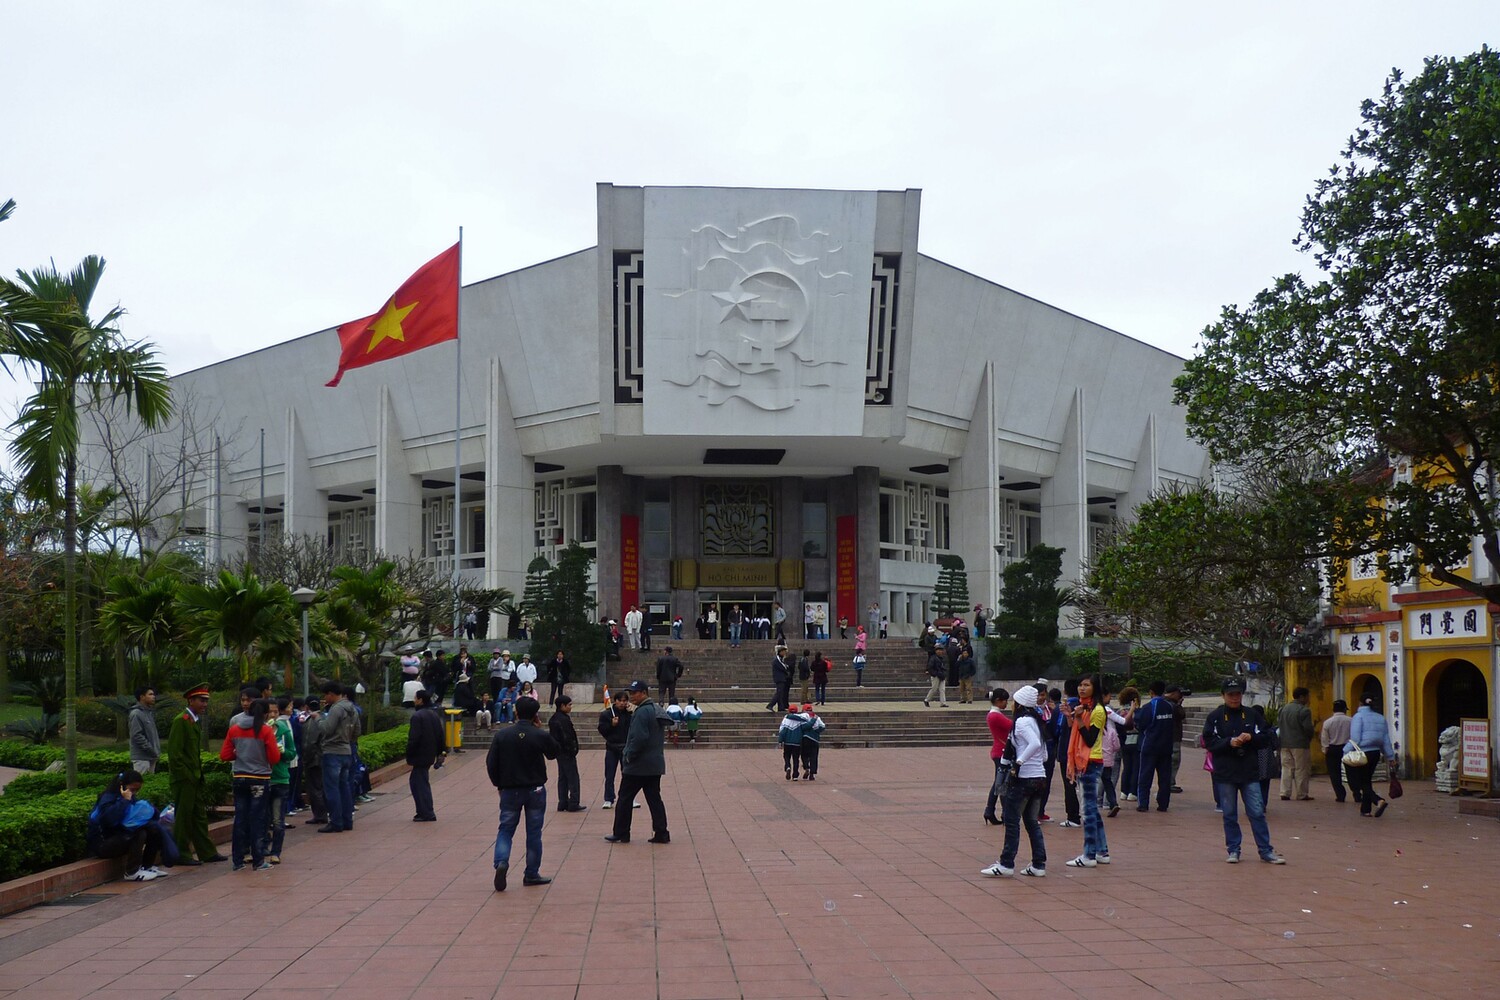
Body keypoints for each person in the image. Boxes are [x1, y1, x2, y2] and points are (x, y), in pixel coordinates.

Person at [1203, 678, 1285, 864]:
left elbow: (1267, 737)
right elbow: (1209, 742)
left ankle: (1266, 850)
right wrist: (1229, 742)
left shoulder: (1251, 715)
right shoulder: (1215, 717)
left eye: (1238, 694)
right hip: (1225, 773)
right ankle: (1233, 850)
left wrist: (1251, 738)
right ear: (1223, 695)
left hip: (1249, 772)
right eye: (1230, 694)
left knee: (1257, 813)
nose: (1234, 698)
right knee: (1229, 814)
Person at [486, 696, 559, 890]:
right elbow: (553, 753)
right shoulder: (539, 735)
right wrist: (540, 729)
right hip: (535, 789)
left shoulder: (503, 735)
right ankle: (531, 873)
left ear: (516, 712)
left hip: (510, 789)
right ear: (536, 714)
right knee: (534, 833)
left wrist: (499, 785)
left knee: (505, 829)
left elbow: (491, 763)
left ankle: (501, 862)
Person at [981, 684, 1047, 878]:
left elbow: (1034, 744)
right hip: (1039, 776)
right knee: (1031, 822)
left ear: (1019, 704)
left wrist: (1019, 761)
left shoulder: (1022, 722)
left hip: (1025, 778)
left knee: (1011, 821)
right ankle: (1038, 864)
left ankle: (1006, 864)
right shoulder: (1036, 721)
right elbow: (1043, 753)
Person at [166, 684, 226, 866]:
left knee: (199, 816)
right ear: (190, 700)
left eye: (206, 701)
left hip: (194, 778)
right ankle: (181, 854)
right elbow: (175, 755)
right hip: (184, 779)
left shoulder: (194, 721)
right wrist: (187, 775)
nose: (205, 704)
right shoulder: (181, 721)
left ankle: (207, 852)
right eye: (201, 700)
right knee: (184, 817)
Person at [604, 680, 670, 844]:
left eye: (635, 693)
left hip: (638, 766)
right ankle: (661, 832)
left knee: (624, 799)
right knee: (654, 799)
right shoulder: (655, 709)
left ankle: (621, 832)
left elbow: (639, 738)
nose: (632, 696)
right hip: (654, 764)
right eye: (631, 693)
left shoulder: (642, 712)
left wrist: (628, 755)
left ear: (644, 693)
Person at [220, 697, 281, 871]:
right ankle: (258, 860)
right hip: (260, 779)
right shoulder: (265, 730)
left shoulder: (234, 729)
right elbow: (274, 757)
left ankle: (237, 861)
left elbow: (225, 755)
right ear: (265, 714)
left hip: (240, 777)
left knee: (240, 819)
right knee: (258, 820)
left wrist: (241, 754)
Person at [1063, 674, 1111, 869]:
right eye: (1080, 685)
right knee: (1091, 810)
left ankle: (1089, 854)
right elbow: (1075, 730)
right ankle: (1102, 851)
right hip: (1083, 760)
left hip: (1090, 761)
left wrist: (1078, 718)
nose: (1081, 688)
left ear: (1095, 688)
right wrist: (1071, 716)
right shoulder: (1084, 707)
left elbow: (1090, 739)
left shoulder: (1097, 710)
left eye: (1086, 685)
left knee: (1088, 811)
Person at [88, 770, 168, 881]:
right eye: (132, 789)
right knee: (138, 833)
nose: (134, 793)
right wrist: (124, 801)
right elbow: (109, 820)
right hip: (103, 845)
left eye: (137, 790)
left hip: (118, 838)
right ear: (122, 786)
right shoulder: (108, 798)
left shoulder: (129, 797)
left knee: (152, 828)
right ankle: (132, 872)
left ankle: (147, 866)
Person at [318, 681, 359, 834]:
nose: (325, 698)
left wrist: (318, 719)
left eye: (326, 695)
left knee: (332, 788)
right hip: (346, 751)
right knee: (344, 787)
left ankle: (336, 822)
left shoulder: (336, 709)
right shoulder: (352, 708)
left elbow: (327, 729)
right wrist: (348, 741)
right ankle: (347, 820)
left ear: (331, 694)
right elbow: (357, 730)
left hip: (332, 751)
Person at [1345, 697, 1395, 818]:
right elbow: (1385, 739)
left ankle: (1378, 800)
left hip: (1362, 754)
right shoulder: (1380, 718)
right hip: (1375, 753)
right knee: (1366, 780)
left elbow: (1355, 738)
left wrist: (1345, 750)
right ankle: (1365, 809)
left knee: (1360, 782)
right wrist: (1390, 756)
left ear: (1360, 702)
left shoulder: (1358, 717)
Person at [1133, 680, 1176, 811]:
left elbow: (1140, 725)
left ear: (1151, 692)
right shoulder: (1169, 707)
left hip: (1149, 746)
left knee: (1145, 776)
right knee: (1165, 778)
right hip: (1166, 747)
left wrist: (1136, 711)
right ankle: (1163, 804)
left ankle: (1143, 804)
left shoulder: (1148, 707)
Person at [263, 699, 297, 863]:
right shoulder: (259, 731)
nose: (272, 715)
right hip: (263, 779)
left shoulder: (283, 730)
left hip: (280, 779)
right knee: (263, 818)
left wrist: (282, 752)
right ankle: (262, 848)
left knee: (277, 820)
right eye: (269, 712)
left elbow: (292, 753)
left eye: (275, 712)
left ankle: (276, 852)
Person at [406, 689, 445, 822]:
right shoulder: (433, 715)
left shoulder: (417, 717)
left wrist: (409, 753)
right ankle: (424, 811)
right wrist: (441, 752)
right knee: (419, 782)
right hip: (429, 754)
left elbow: (414, 738)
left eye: (415, 698)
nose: (414, 700)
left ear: (420, 700)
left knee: (419, 784)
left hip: (420, 755)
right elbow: (440, 735)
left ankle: (426, 812)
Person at [598, 689, 637, 809]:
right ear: (615, 701)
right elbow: (602, 730)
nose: (623, 703)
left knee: (628, 774)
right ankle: (608, 798)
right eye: (620, 701)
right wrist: (611, 725)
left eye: (625, 701)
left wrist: (633, 714)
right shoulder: (607, 714)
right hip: (612, 748)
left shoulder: (629, 713)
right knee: (609, 775)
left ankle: (629, 798)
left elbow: (635, 728)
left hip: (625, 748)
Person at [1279, 687, 1316, 801]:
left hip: (1284, 743)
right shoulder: (1304, 710)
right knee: (1301, 769)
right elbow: (1308, 728)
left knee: (1286, 768)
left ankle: (1285, 792)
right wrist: (1309, 738)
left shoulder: (1283, 709)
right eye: (1307, 696)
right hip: (1300, 743)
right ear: (1302, 697)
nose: (1308, 699)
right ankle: (1302, 793)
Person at [549, 694, 585, 812]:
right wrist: (572, 750)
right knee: (572, 778)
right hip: (566, 752)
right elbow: (567, 737)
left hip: (559, 752)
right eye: (569, 705)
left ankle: (563, 802)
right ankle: (573, 802)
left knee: (563, 778)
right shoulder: (563, 720)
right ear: (562, 706)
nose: (570, 707)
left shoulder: (554, 718)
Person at [983, 687, 1013, 826]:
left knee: (999, 783)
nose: (1006, 703)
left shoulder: (994, 714)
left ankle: (991, 810)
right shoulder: (996, 716)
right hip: (1001, 751)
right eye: (1004, 701)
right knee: (1001, 784)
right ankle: (1001, 811)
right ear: (998, 701)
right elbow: (1013, 726)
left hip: (999, 750)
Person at [298, 697, 328, 826]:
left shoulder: (311, 722)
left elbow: (308, 744)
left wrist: (306, 758)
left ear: (306, 707)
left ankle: (320, 815)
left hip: (314, 759)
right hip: (326, 757)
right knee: (322, 786)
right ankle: (324, 813)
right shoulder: (326, 718)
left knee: (315, 788)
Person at [1319, 700, 1354, 803]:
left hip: (1333, 749)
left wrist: (1325, 749)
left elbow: (1324, 738)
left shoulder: (1328, 722)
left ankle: (1340, 795)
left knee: (1334, 774)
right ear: (1344, 709)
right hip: (1348, 748)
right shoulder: (1351, 720)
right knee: (1351, 772)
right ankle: (1356, 793)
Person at [1116, 687, 1140, 801]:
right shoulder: (1138, 711)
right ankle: (1133, 792)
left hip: (1124, 742)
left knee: (1126, 767)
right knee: (1136, 767)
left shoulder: (1119, 712)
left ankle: (1124, 792)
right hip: (1136, 741)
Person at [129, 686, 161, 774]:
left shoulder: (149, 713)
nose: (153, 697)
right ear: (142, 697)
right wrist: (150, 749)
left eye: (153, 694)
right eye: (150, 694)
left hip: (151, 757)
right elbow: (136, 735)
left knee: (150, 781)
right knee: (142, 782)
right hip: (141, 758)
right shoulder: (136, 714)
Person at [777, 704, 806, 780]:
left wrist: (780, 741)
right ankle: (795, 775)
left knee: (786, 756)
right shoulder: (801, 720)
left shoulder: (786, 719)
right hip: (797, 743)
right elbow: (805, 728)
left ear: (789, 711)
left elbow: (782, 732)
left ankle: (788, 766)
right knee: (796, 759)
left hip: (787, 742)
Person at [800, 704, 825, 780]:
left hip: (805, 738)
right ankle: (812, 773)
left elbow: (802, 727)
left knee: (804, 754)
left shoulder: (802, 716)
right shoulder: (816, 717)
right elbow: (823, 726)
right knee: (814, 756)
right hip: (815, 740)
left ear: (803, 710)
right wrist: (816, 731)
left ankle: (806, 767)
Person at [766, 645, 792, 712]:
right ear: (780, 652)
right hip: (779, 678)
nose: (785, 653)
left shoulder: (781, 659)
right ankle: (771, 704)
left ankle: (781, 707)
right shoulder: (777, 660)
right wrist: (786, 669)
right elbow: (783, 667)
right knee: (779, 692)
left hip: (782, 678)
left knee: (781, 693)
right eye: (784, 652)